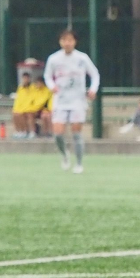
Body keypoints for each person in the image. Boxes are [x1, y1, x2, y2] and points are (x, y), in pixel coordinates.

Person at [43, 28, 99, 173]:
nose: (67, 43)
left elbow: (95, 74)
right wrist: (52, 86)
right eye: (64, 40)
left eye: (70, 40)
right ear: (60, 42)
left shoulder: (82, 58)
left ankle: (79, 163)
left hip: (77, 101)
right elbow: (47, 76)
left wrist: (93, 89)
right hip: (60, 101)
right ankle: (65, 154)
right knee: (58, 133)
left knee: (76, 133)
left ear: (75, 42)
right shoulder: (53, 59)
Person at [11, 69, 52, 137]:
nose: (25, 80)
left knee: (29, 114)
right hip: (26, 108)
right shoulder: (21, 88)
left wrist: (30, 109)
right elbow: (19, 100)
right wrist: (17, 109)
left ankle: (32, 131)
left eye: (27, 78)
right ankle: (21, 131)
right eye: (24, 78)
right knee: (16, 114)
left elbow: (39, 102)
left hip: (37, 109)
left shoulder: (36, 89)